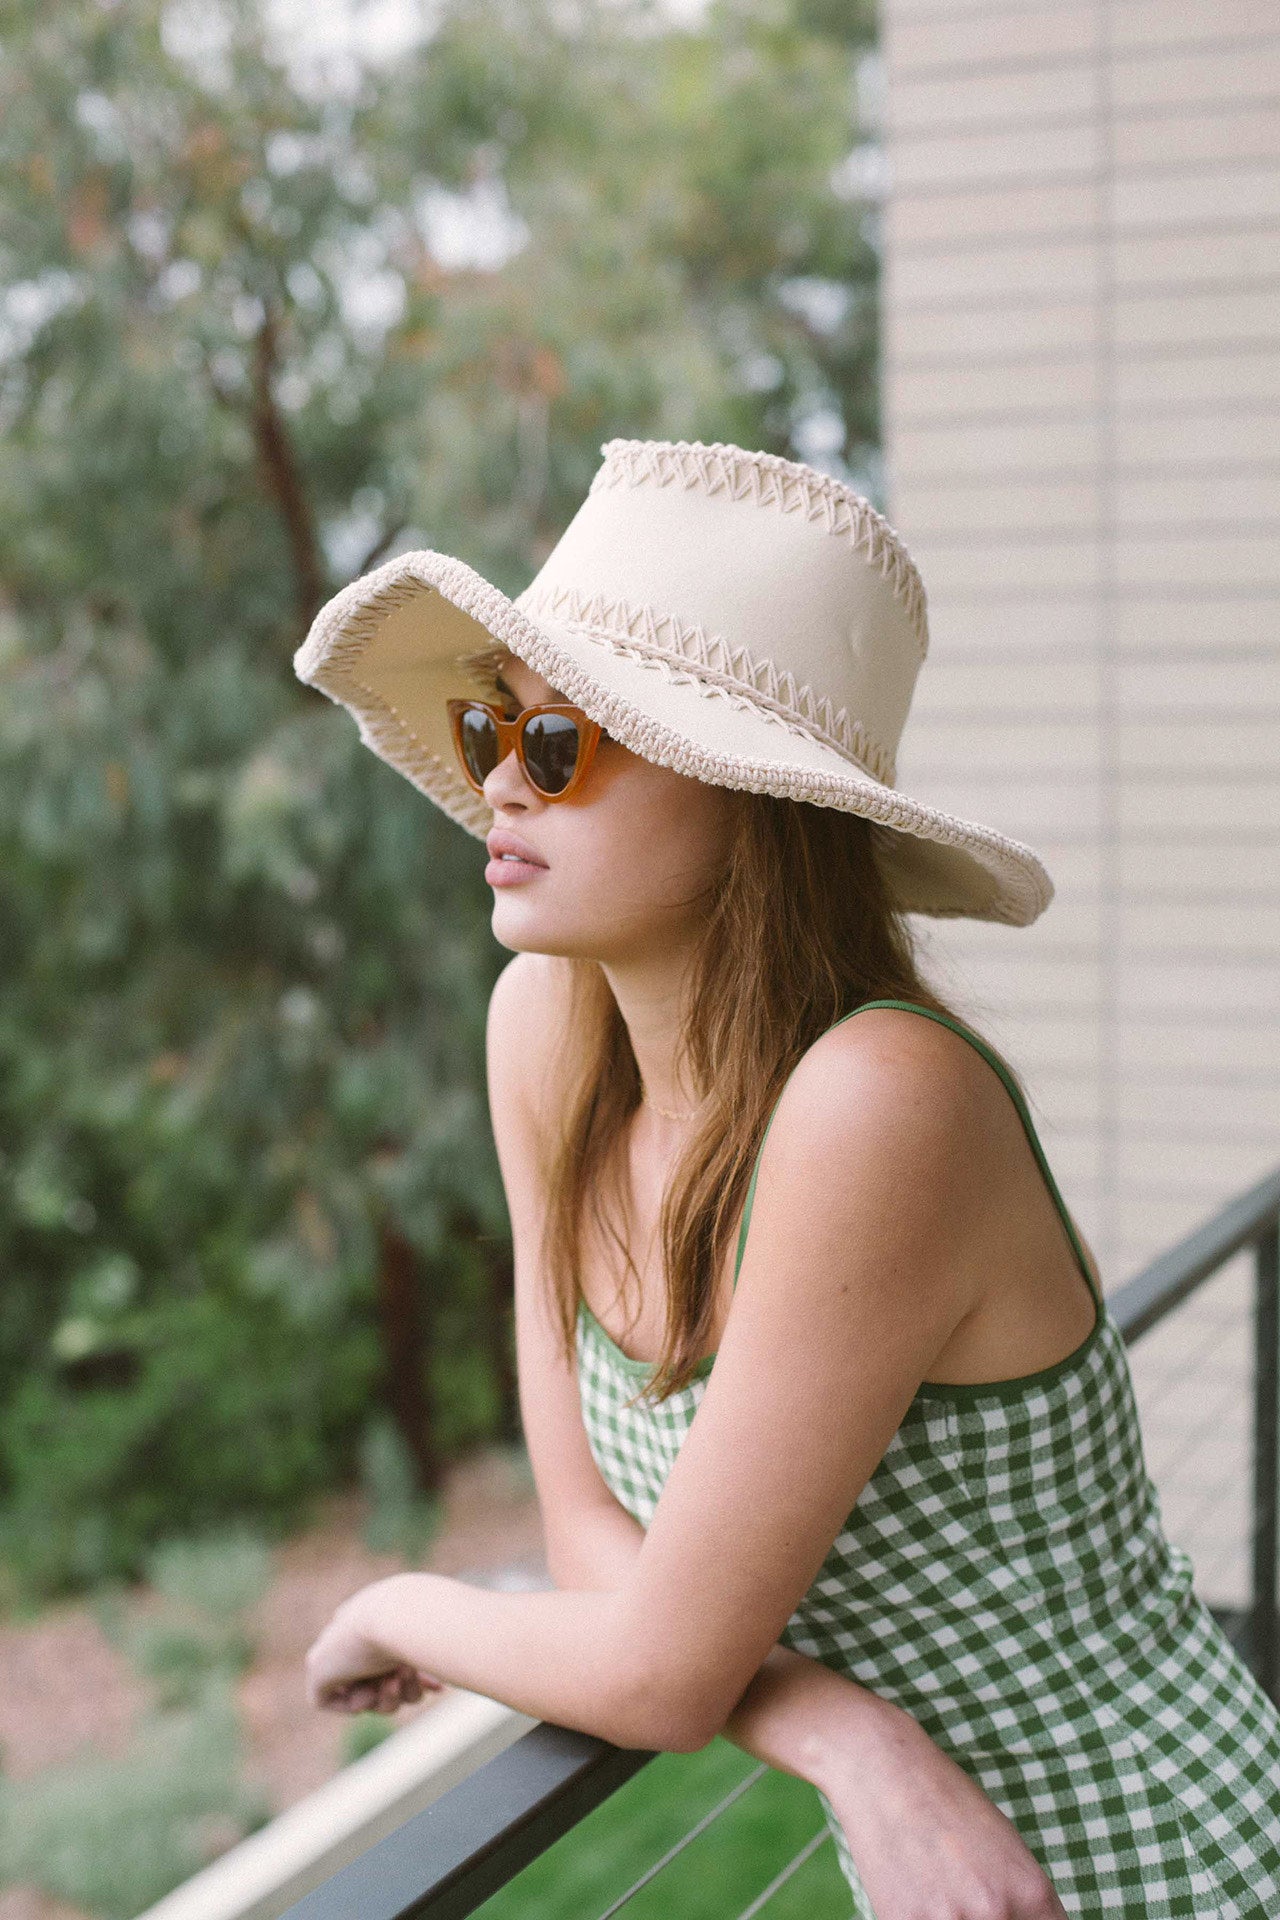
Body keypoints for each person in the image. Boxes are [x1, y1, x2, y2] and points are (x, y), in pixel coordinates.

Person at [295, 438, 1280, 1918]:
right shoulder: (543, 1038)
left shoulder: (882, 1101)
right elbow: (591, 1544)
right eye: (492, 722)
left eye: (560, 742)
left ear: (747, 796)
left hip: (1171, 1864)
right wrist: (846, 1737)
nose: (499, 778)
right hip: (935, 1872)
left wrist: (396, 1605)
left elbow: (661, 1668)